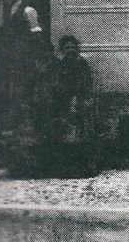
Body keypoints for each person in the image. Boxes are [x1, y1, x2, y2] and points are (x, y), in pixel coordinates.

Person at [0, 0, 47, 177]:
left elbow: (37, 36)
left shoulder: (28, 10)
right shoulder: (2, 10)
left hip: (23, 64)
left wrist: (35, 59)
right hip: (7, 64)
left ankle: (26, 156)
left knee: (22, 101)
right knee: (5, 101)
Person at [40, 35, 97, 178]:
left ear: (76, 48)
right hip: (63, 105)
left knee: (82, 136)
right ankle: (66, 169)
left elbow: (86, 84)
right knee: (65, 135)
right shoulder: (60, 65)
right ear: (62, 50)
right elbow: (57, 85)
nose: (70, 50)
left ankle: (84, 169)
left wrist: (78, 101)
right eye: (67, 48)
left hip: (81, 104)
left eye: (73, 47)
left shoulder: (82, 64)